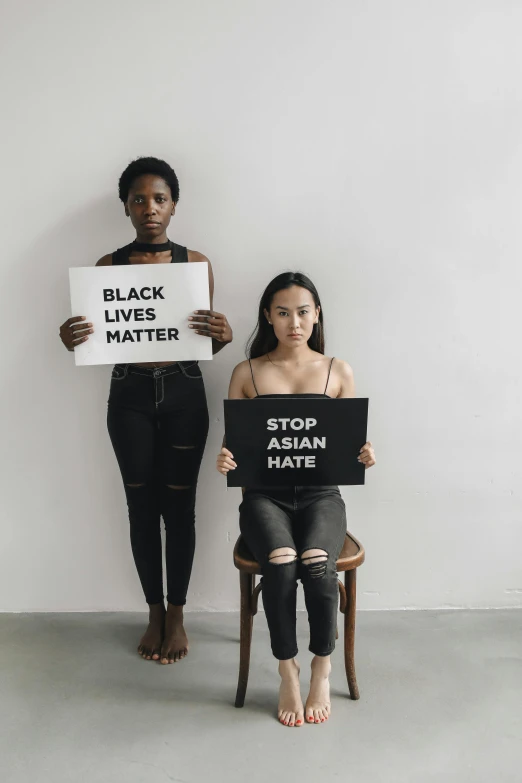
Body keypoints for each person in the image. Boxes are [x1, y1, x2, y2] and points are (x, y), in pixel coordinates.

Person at [60, 157, 232, 664]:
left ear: (174, 205)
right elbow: (98, 339)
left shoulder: (195, 263)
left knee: (179, 509)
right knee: (139, 507)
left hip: (183, 392)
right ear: (126, 207)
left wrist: (220, 338)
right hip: (129, 394)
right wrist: (71, 337)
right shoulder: (106, 269)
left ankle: (176, 614)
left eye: (159, 199)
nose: (149, 208)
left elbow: (203, 344)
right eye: (139, 199)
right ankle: (153, 612)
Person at [216, 271, 375, 727]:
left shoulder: (337, 370)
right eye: (283, 312)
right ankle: (287, 669)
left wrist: (364, 452)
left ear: (317, 314)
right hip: (265, 498)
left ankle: (321, 666)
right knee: (283, 560)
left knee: (317, 559)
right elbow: (236, 446)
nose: (294, 322)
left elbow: (350, 443)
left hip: (322, 494)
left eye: (303, 312)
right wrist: (225, 460)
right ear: (268, 316)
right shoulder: (246, 372)